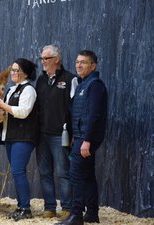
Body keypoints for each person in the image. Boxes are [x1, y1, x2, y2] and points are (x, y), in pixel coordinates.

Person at [55, 50, 107, 225]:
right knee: (87, 175)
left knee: (75, 175)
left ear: (93, 66)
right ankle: (92, 214)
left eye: (83, 62)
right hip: (80, 137)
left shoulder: (95, 85)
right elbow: (77, 114)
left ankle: (76, 215)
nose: (78, 65)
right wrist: (73, 136)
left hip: (87, 138)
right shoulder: (83, 84)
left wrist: (87, 140)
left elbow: (94, 115)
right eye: (77, 62)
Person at [35, 44, 78, 220]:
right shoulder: (41, 80)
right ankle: (50, 207)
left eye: (47, 58)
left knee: (63, 172)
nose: (43, 62)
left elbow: (76, 108)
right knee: (45, 172)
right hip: (41, 134)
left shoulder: (70, 79)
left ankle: (67, 208)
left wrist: (74, 132)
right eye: (42, 59)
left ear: (57, 59)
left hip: (61, 134)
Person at [0, 58, 38, 222]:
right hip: (11, 136)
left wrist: (2, 106)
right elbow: (8, 113)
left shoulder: (29, 90)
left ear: (25, 72)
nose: (13, 73)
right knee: (17, 172)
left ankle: (26, 208)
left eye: (17, 70)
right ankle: (21, 206)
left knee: (18, 171)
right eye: (12, 70)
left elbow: (23, 112)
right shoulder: (11, 90)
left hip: (24, 136)